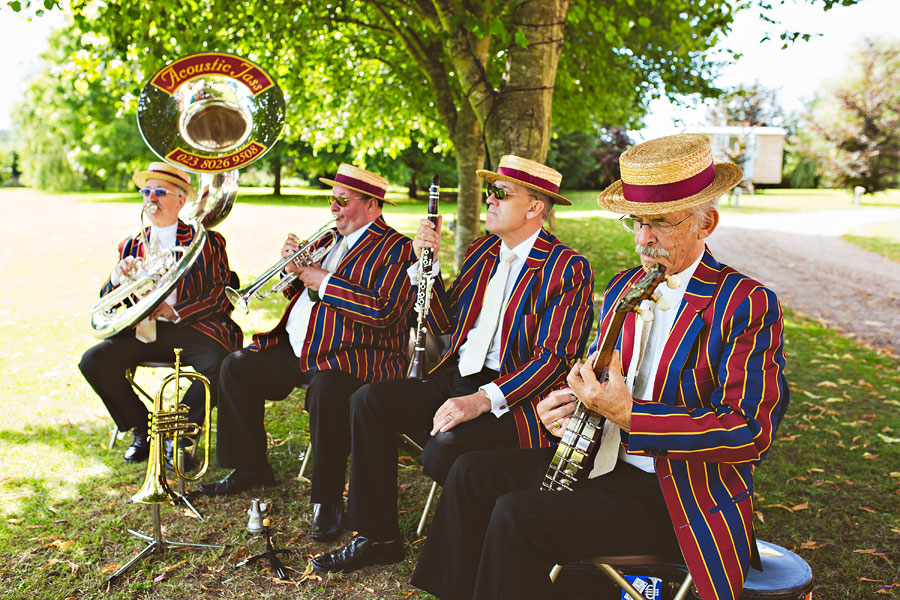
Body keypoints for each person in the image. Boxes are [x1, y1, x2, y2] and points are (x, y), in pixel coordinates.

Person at [410, 134, 790, 600]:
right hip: (600, 463)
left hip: (676, 497)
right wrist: (572, 405)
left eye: (660, 224)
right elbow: (603, 381)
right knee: (471, 473)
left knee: (516, 513)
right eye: (635, 222)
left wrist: (631, 416)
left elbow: (749, 432)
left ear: (706, 222)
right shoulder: (625, 286)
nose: (643, 239)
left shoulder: (745, 303)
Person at [312, 155, 595, 573]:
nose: (489, 200)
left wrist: (480, 401)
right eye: (489, 191)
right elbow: (448, 322)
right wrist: (428, 268)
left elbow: (553, 360)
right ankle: (378, 535)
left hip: (512, 395)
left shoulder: (566, 267)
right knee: (368, 399)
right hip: (455, 376)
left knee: (442, 449)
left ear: (535, 207)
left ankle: (482, 530)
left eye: (500, 192)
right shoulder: (481, 251)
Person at [198, 164, 416, 543]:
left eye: (342, 201)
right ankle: (250, 466)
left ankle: (327, 499)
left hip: (350, 354)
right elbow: (303, 296)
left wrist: (324, 280)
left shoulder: (398, 248)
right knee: (236, 367)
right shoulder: (331, 239)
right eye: (332, 199)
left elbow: (385, 312)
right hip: (300, 347)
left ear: (372, 205)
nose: (333, 208)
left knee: (327, 392)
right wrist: (294, 270)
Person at [79, 162, 242, 469]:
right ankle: (144, 429)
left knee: (220, 364)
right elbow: (107, 302)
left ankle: (178, 434)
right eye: (147, 191)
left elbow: (222, 294)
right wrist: (116, 278)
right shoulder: (130, 243)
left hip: (193, 328)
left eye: (161, 192)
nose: (151, 198)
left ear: (181, 200)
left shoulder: (206, 241)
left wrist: (175, 310)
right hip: (144, 330)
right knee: (93, 361)